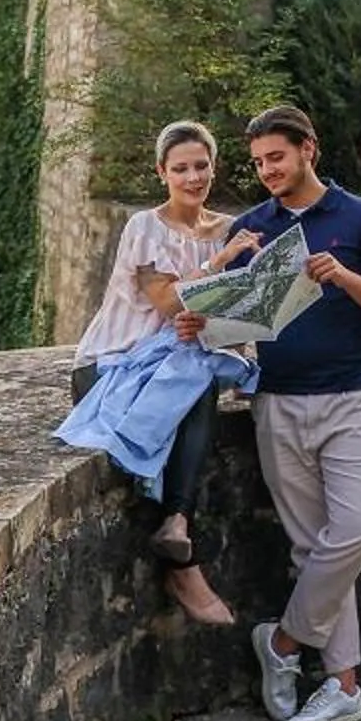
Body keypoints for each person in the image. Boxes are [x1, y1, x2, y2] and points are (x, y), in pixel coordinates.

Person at [206, 103, 361, 721]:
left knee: (356, 528)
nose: (267, 170)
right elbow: (226, 322)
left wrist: (345, 277)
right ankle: (343, 686)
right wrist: (206, 303)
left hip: (355, 395)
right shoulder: (249, 229)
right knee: (313, 546)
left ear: (308, 151)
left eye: (277, 157)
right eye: (259, 161)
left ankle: (286, 642)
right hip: (278, 400)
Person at [67, 120, 243, 627]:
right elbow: (167, 302)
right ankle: (184, 562)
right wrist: (222, 264)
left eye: (201, 166)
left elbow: (219, 313)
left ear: (214, 166)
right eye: (181, 168)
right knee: (193, 381)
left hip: (179, 362)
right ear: (162, 172)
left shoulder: (225, 230)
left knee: (199, 376)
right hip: (114, 363)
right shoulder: (145, 227)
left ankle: (178, 522)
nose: (193, 177)